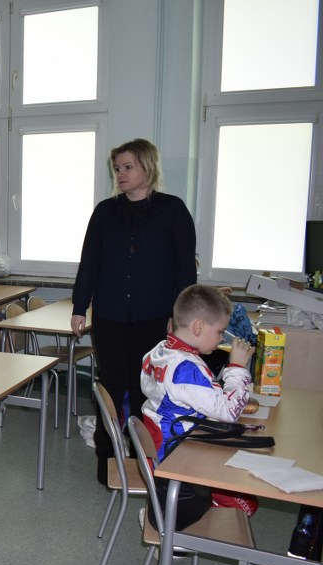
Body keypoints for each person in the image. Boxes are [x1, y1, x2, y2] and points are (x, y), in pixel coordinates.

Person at [71, 138, 197, 485]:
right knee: (110, 389)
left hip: (155, 317)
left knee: (147, 392)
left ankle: (146, 465)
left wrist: (181, 318)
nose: (121, 174)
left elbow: (185, 269)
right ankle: (107, 463)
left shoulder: (173, 210)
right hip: (110, 316)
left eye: (128, 167)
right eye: (117, 168)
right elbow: (89, 263)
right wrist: (79, 306)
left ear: (148, 167)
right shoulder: (105, 212)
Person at [140, 284, 256, 530]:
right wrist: (237, 368)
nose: (222, 338)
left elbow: (193, 395)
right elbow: (228, 413)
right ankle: (173, 524)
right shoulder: (186, 369)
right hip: (177, 458)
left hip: (164, 444)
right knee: (246, 502)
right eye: (220, 331)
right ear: (198, 327)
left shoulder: (160, 350)